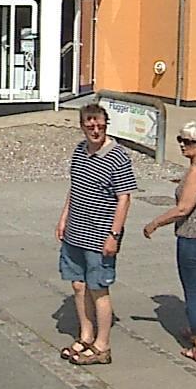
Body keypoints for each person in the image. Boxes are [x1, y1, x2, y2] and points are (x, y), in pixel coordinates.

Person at [56, 104, 138, 365]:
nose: (95, 130)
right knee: (78, 285)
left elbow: (124, 199)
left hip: (100, 235)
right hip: (75, 232)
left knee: (98, 289)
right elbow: (75, 188)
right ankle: (86, 335)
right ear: (82, 126)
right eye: (90, 125)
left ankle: (102, 346)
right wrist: (64, 218)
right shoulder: (79, 152)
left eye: (100, 125)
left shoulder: (118, 156)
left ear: (106, 124)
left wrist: (114, 235)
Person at [142, 119, 196, 363]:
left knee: (193, 291)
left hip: (194, 238)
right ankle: (194, 328)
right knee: (195, 287)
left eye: (188, 141)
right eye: (181, 139)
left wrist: (155, 223)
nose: (182, 145)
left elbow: (183, 209)